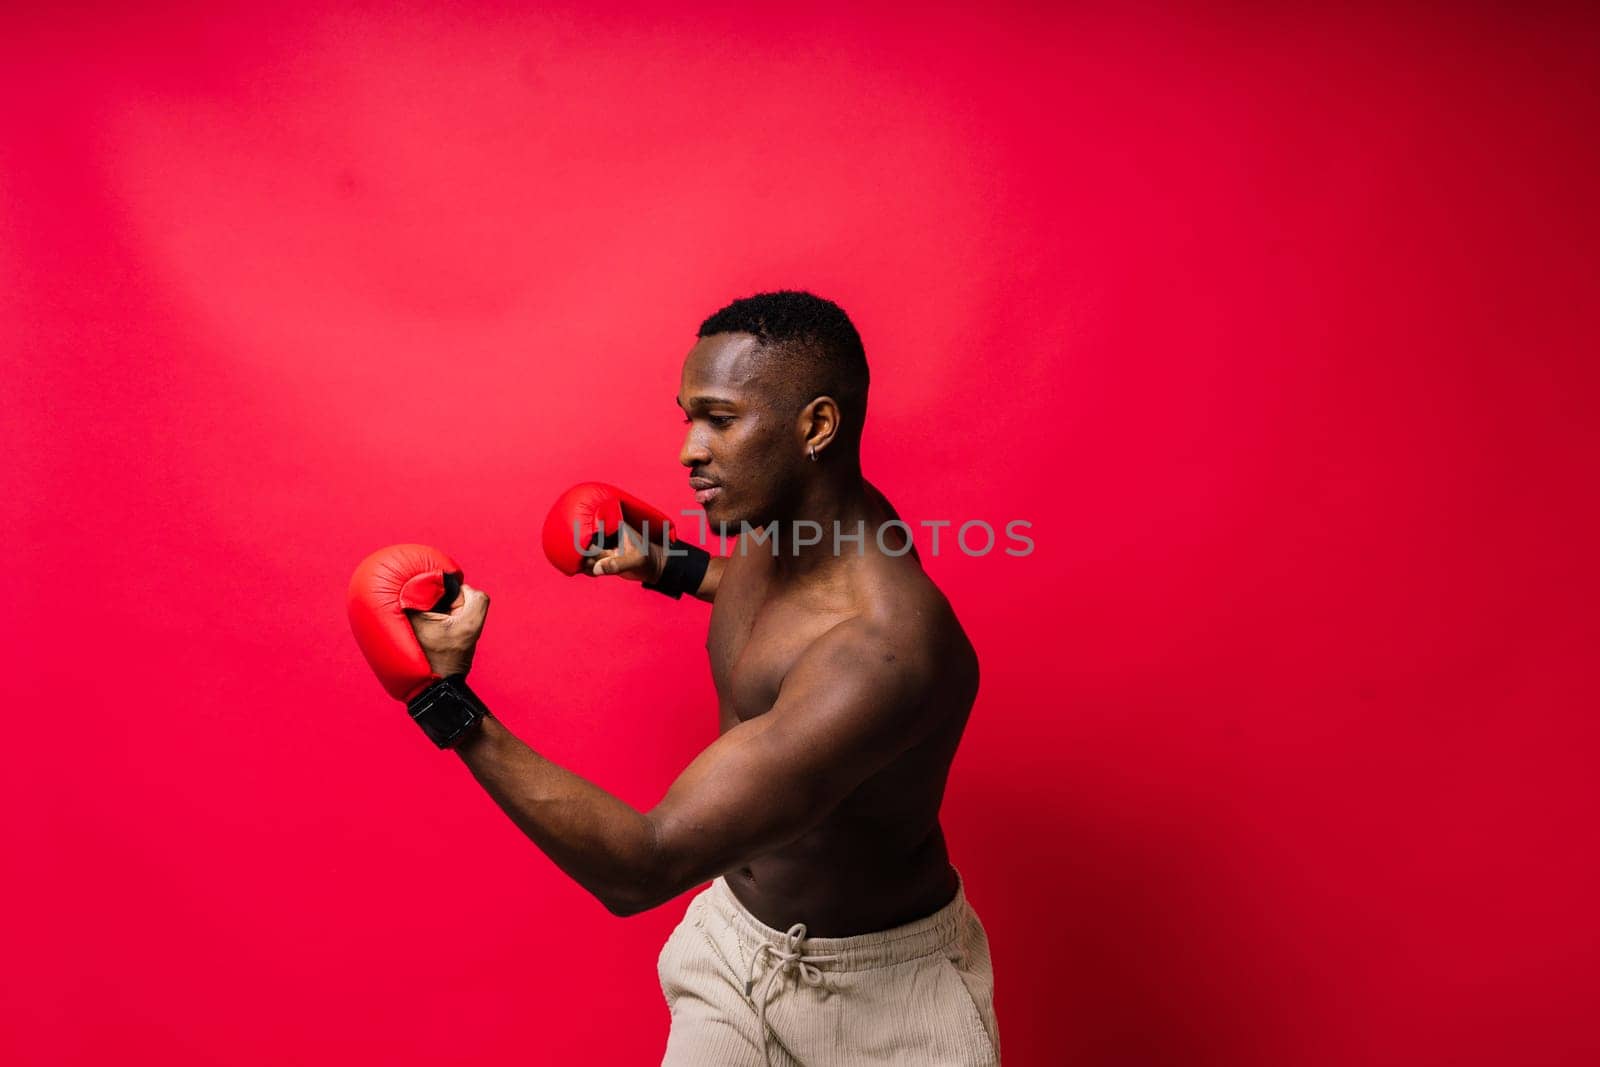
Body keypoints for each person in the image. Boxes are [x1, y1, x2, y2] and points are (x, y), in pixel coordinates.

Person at [355, 291, 998, 1065]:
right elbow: (783, 604)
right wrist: (661, 561)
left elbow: (644, 863)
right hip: (732, 949)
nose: (689, 450)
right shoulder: (798, 523)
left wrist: (441, 698)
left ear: (816, 427)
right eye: (688, 416)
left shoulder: (885, 653)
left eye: (720, 420)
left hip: (881, 1009)